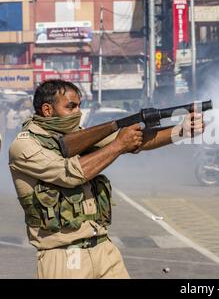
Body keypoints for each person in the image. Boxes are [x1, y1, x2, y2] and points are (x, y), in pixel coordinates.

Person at [9, 80, 205, 279]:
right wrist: (119, 145)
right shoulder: (25, 145)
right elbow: (71, 174)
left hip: (103, 249)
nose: (78, 112)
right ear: (47, 110)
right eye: (70, 106)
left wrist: (181, 131)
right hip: (63, 255)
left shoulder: (76, 134)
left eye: (79, 106)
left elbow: (138, 141)